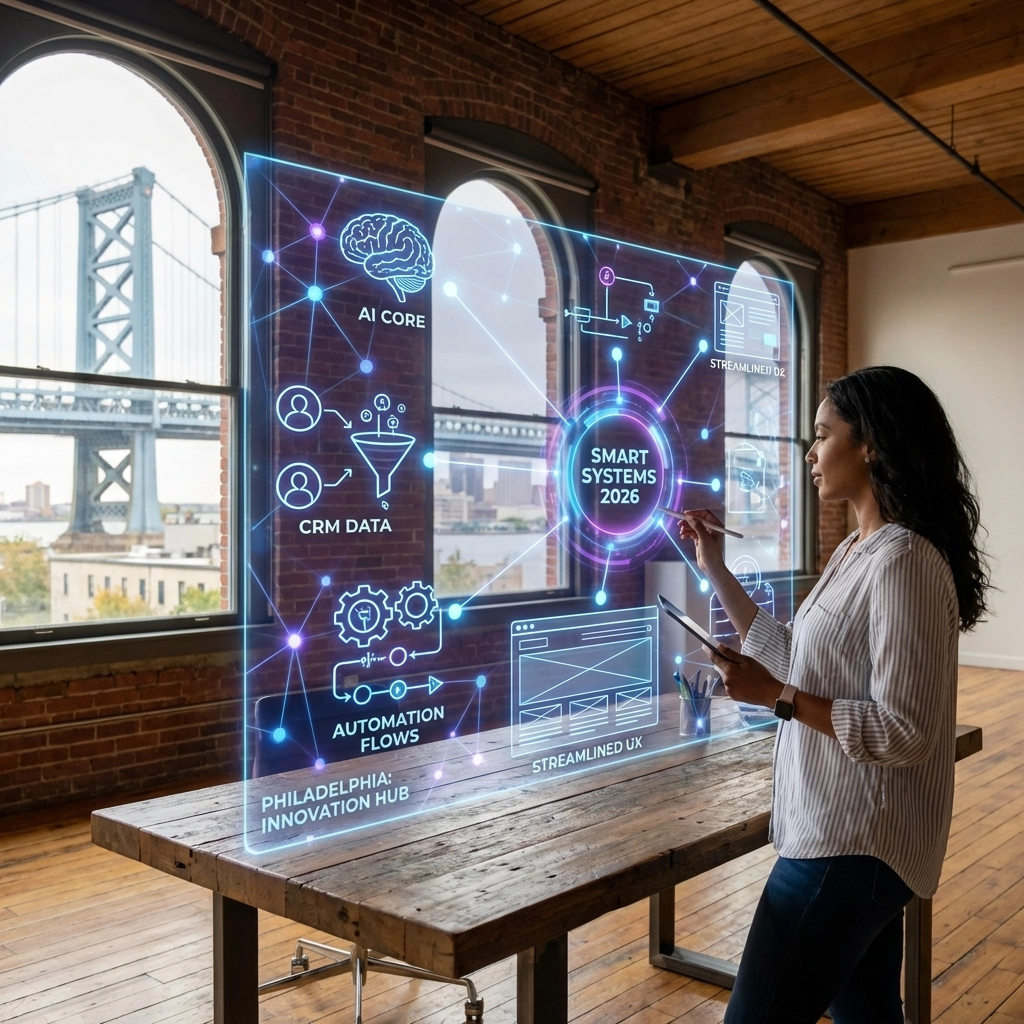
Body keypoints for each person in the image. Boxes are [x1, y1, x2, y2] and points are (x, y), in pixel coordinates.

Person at [680, 366, 988, 1023]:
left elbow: (906, 730)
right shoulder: (857, 549)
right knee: (869, 1015)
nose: (810, 452)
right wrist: (714, 570)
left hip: (850, 847)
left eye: (822, 435)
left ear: (870, 443)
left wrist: (777, 698)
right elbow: (796, 659)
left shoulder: (903, 560)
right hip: (847, 841)